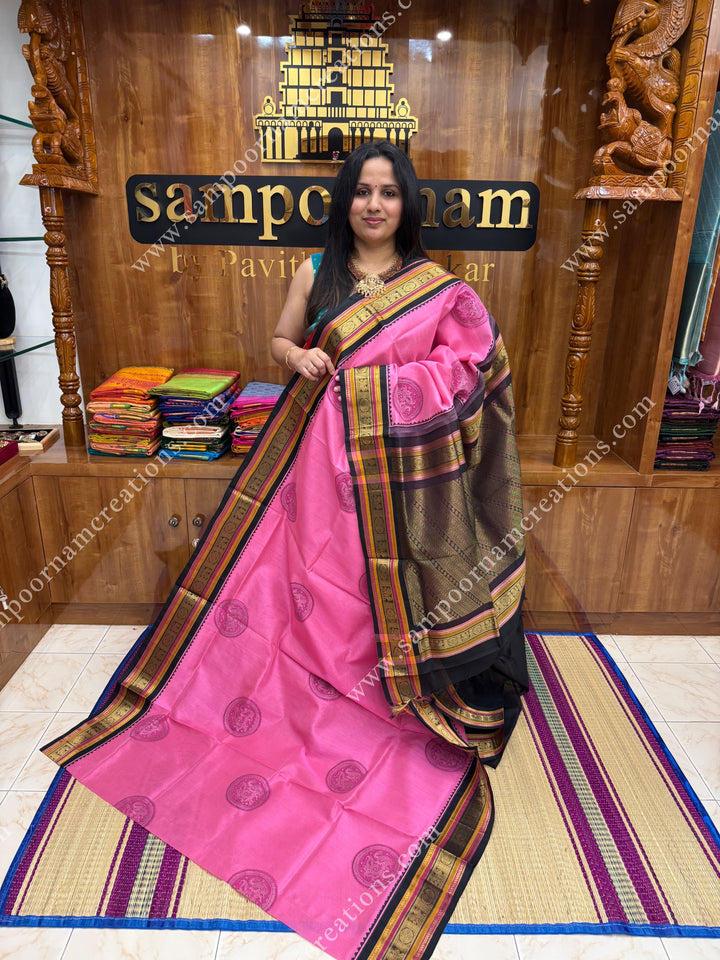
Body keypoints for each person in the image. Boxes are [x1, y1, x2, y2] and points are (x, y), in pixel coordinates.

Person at [41, 141, 527, 960]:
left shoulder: (440, 291)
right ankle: (313, 681)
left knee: (386, 589)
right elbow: (275, 342)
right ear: (345, 201)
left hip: (404, 484)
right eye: (362, 192)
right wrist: (297, 355)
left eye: (388, 193)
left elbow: (473, 368)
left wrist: (391, 390)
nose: (374, 205)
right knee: (316, 584)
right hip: (323, 466)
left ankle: (384, 690)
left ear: (407, 203)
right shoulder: (316, 273)